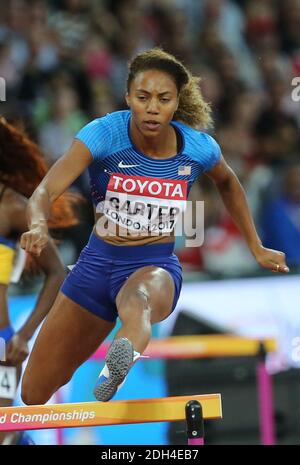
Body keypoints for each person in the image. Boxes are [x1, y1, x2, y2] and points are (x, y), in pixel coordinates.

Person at [20, 48, 289, 406]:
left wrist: (255, 245)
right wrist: (38, 224)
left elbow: (229, 183)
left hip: (153, 265)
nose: (152, 107)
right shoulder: (103, 135)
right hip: (95, 265)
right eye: (143, 97)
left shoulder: (196, 148)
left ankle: (117, 365)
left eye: (163, 99)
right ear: (128, 96)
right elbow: (46, 190)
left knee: (139, 301)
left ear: (177, 102)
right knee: (33, 391)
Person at [0, 117, 78, 444]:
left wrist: (25, 334)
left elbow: (58, 272)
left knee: (4, 435)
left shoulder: (12, 207)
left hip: (2, 349)